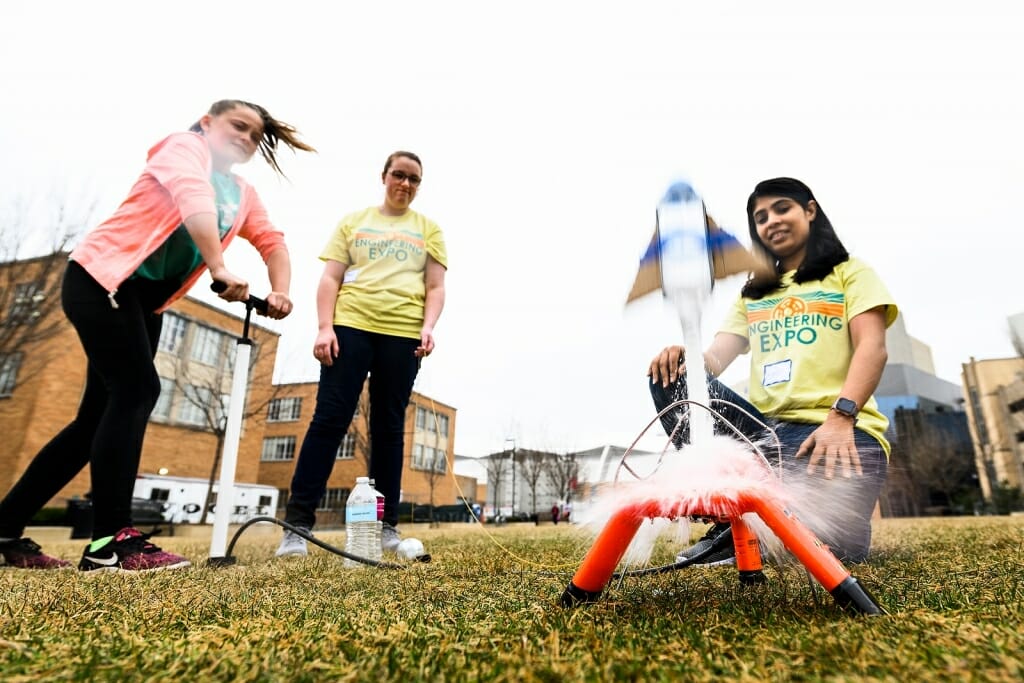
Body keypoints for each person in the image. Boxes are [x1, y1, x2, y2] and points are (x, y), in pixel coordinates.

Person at [0, 100, 314, 571]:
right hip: (101, 280)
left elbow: (273, 240)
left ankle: (4, 529)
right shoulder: (182, 148)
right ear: (209, 123)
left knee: (95, 421)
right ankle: (110, 542)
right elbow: (192, 199)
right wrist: (219, 267)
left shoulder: (242, 193)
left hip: (142, 302)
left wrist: (281, 291)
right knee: (137, 389)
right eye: (238, 126)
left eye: (256, 134)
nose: (247, 138)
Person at [647, 177, 896, 566]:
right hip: (765, 436)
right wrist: (686, 356)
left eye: (782, 209)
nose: (771, 222)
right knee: (674, 377)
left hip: (835, 430)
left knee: (833, 546)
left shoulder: (849, 272)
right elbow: (713, 360)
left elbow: (872, 347)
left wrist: (842, 416)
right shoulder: (754, 292)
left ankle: (755, 525)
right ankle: (734, 513)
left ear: (809, 211)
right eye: (760, 217)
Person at [276, 151, 447, 559]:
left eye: (414, 179)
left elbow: (436, 287)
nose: (405, 184)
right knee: (329, 420)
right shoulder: (353, 223)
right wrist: (324, 327)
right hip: (350, 327)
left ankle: (385, 526)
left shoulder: (429, 230)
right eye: (399, 175)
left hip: (403, 333)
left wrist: (428, 327)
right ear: (384, 176)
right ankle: (296, 527)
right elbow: (330, 277)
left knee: (389, 429)